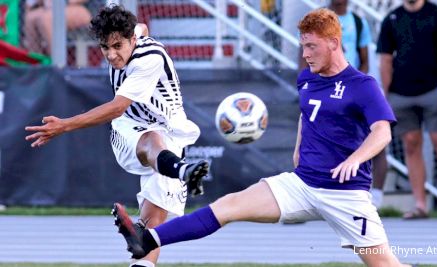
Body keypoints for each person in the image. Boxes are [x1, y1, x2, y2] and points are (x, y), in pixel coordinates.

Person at [113, 8, 415, 267]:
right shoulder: (307, 77)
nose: (305, 54)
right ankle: (146, 239)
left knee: (385, 264)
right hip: (303, 184)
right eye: (303, 47)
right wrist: (298, 150)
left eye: (312, 47)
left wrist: (356, 159)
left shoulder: (362, 85)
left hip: (346, 195)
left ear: (335, 43)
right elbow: (306, 114)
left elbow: (382, 133)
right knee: (228, 205)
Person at [25, 5, 209, 267]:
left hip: (173, 134)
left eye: (117, 46)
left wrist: (64, 125)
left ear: (132, 40)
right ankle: (183, 171)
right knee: (151, 138)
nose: (111, 55)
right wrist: (64, 125)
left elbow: (115, 104)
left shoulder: (149, 58)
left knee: (151, 233)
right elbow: (118, 110)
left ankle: (138, 234)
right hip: (129, 128)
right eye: (104, 47)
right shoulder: (134, 34)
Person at [377, 0, 437, 219]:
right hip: (401, 94)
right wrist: (386, 96)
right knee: (411, 145)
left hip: (433, 91)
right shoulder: (392, 18)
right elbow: (385, 59)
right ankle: (420, 205)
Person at [298, 0, 387, 208]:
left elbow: (364, 57)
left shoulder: (357, 22)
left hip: (351, 92)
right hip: (324, 89)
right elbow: (304, 55)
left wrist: (355, 87)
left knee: (376, 140)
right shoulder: (316, 21)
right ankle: (308, 193)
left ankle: (377, 198)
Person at [22, 0, 93, 55]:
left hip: (80, 8)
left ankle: (57, 63)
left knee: (46, 19)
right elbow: (29, 5)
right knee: (30, 18)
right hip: (51, 9)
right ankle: (37, 62)